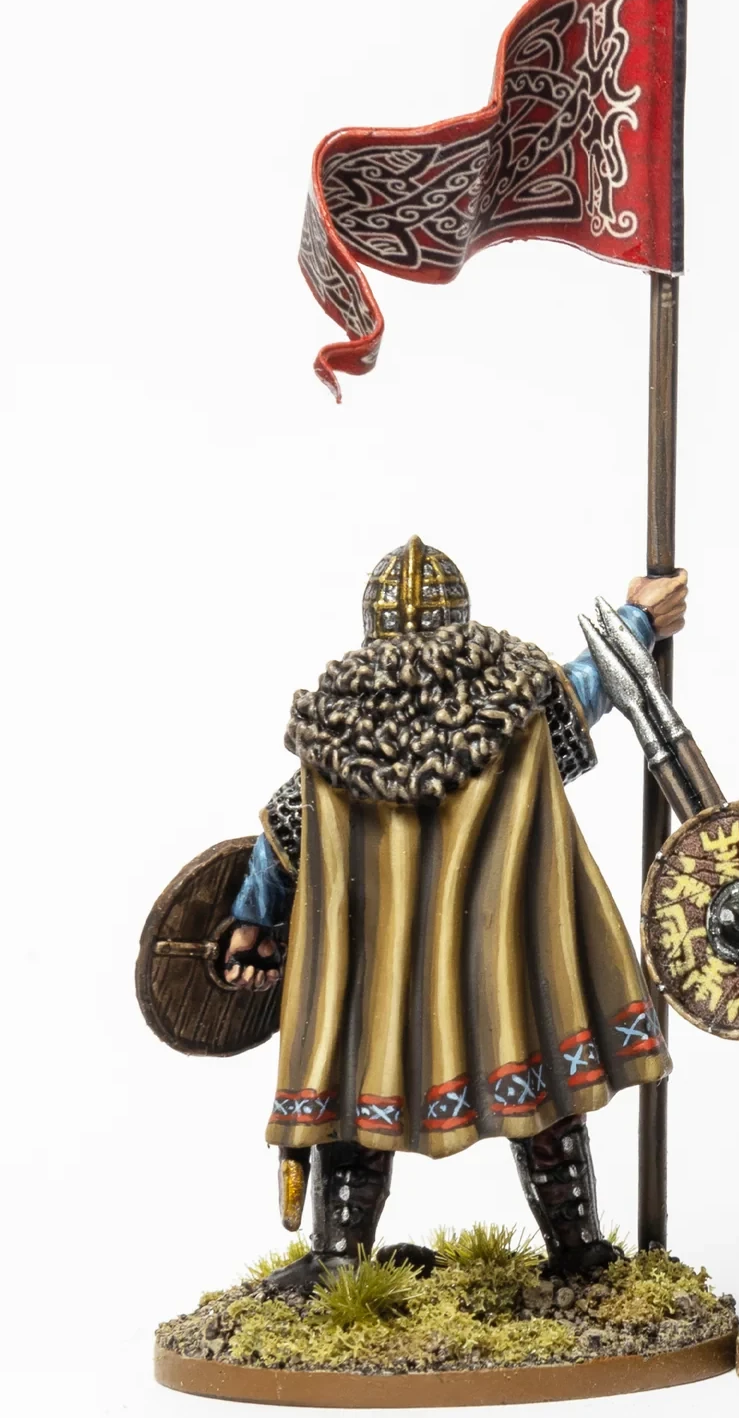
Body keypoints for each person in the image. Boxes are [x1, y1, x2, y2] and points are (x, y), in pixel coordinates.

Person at [221, 537, 688, 1291]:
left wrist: (251, 921)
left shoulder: (332, 737)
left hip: (378, 975)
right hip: (497, 964)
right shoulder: (517, 708)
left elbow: (282, 838)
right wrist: (641, 619)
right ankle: (576, 1250)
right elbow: (594, 682)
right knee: (540, 1091)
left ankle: (342, 1254)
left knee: (356, 1094)